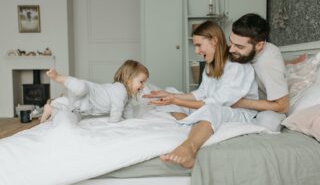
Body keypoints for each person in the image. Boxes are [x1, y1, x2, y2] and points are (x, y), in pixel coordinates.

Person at [143, 20, 258, 168]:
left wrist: (176, 101)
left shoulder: (236, 66)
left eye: (198, 45)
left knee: (210, 109)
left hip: (236, 112)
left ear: (214, 41)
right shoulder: (211, 65)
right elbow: (201, 93)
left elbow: (215, 102)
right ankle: (190, 124)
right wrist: (171, 96)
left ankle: (189, 148)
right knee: (171, 90)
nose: (196, 51)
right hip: (211, 105)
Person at [229, 13, 289, 132]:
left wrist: (240, 103)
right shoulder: (248, 50)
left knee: (268, 122)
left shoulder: (268, 64)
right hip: (245, 101)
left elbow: (283, 106)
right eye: (231, 42)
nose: (231, 49)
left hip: (268, 108)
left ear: (259, 45)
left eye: (239, 46)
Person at [40, 60, 149, 123]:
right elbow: (116, 111)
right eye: (141, 82)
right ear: (129, 79)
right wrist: (114, 125)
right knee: (81, 87)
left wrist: (131, 124)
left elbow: (128, 114)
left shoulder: (128, 96)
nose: (143, 86)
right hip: (88, 93)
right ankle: (60, 77)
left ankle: (51, 110)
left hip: (85, 107)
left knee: (72, 118)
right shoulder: (120, 90)